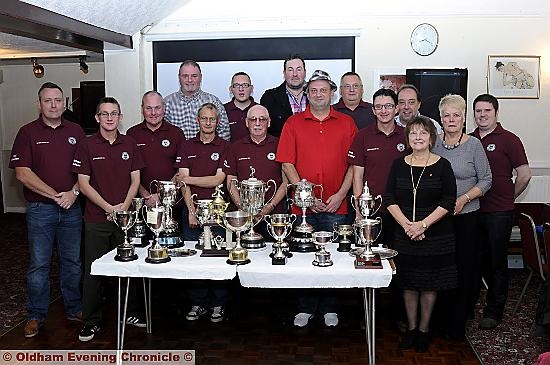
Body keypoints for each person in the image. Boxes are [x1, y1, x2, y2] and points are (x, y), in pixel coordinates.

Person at [276, 69, 357, 328]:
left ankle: (330, 307)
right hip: (304, 208)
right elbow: (287, 164)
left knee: (333, 256)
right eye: (313, 90)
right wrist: (306, 195)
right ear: (307, 94)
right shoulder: (293, 123)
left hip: (337, 204)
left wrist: (341, 194)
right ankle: (306, 307)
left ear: (332, 93)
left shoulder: (347, 123)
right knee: (304, 257)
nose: (318, 94)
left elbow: (355, 166)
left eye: (323, 90)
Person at [9, 82, 85, 338]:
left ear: (64, 103)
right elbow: (22, 173)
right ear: (39, 103)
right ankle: (36, 315)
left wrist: (73, 193)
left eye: (58, 100)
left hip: (72, 208)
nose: (54, 105)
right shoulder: (27, 133)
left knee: (72, 262)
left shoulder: (76, 131)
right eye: (48, 100)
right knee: (39, 265)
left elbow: (86, 171)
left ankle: (74, 308)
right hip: (41, 209)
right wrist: (56, 195)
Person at [73, 97, 144, 342]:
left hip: (125, 219)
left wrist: (123, 207)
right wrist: (108, 207)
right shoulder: (86, 145)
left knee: (129, 268)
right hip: (96, 219)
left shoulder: (131, 144)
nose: (110, 118)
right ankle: (91, 321)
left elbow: (136, 180)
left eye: (114, 113)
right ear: (97, 118)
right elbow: (83, 184)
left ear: (121, 117)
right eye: (104, 114)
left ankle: (130, 313)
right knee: (94, 271)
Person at [385, 116, 457, 353]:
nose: (418, 137)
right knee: (407, 284)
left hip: (435, 235)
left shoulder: (443, 165)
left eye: (423, 133)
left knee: (429, 285)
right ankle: (411, 329)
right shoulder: (397, 164)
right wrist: (408, 226)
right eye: (413, 133)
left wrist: (422, 226)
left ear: (431, 138)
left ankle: (424, 330)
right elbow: (389, 199)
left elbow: (448, 200)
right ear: (407, 138)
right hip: (404, 233)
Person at [432, 94, 492, 340]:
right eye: (447, 115)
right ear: (440, 118)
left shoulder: (474, 145)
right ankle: (438, 319)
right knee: (441, 269)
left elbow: (486, 179)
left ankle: (459, 323)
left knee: (464, 269)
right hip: (439, 219)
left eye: (456, 115)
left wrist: (464, 199)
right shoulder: (433, 143)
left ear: (464, 118)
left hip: (467, 217)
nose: (451, 119)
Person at [471, 94, 531, 330]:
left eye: (487, 110)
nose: (482, 115)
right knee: (476, 261)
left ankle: (493, 312)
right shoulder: (469, 139)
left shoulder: (509, 139)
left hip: (499, 213)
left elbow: (524, 175)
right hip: (473, 210)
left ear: (496, 112)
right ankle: (470, 308)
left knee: (496, 264)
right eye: (478, 111)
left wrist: (508, 197)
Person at [175, 103, 230, 323]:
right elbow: (182, 183)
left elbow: (217, 179)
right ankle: (197, 304)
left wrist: (187, 179)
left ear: (218, 122)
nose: (208, 123)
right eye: (204, 119)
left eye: (212, 119)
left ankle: (219, 304)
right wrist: (191, 210)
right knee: (194, 260)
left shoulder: (226, 147)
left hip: (218, 213)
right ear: (197, 120)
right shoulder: (186, 146)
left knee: (218, 259)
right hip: (192, 212)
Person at [348, 88, 406, 246]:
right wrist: (360, 211)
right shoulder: (363, 136)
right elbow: (357, 176)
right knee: (370, 258)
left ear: (396, 109)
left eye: (388, 106)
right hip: (372, 209)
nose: (384, 110)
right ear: (373, 110)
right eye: (379, 107)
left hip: (402, 209)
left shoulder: (407, 135)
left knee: (399, 258)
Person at [224, 104, 288, 237]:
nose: (257, 123)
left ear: (269, 122)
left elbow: (285, 182)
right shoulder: (235, 147)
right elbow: (231, 181)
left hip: (274, 216)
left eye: (262, 119)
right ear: (247, 123)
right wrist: (243, 207)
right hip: (244, 217)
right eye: (253, 119)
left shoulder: (280, 145)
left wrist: (269, 207)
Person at [127, 91, 185, 208]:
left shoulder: (177, 133)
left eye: (157, 108)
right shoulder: (132, 134)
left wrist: (162, 195)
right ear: (142, 109)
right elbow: (129, 169)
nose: (153, 113)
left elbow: (181, 169)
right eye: (148, 108)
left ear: (163, 108)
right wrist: (147, 196)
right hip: (141, 203)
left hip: (171, 202)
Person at [164, 60, 230, 141]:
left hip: (207, 152)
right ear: (179, 78)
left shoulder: (213, 101)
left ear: (200, 77)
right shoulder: (167, 103)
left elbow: (224, 132)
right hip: (176, 152)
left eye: (194, 76)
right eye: (185, 76)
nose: (190, 80)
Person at [260, 54, 307, 137]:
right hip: (280, 148)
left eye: (299, 69)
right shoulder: (270, 98)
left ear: (305, 72)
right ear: (284, 73)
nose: (295, 74)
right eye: (290, 70)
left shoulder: (315, 96)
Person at [224, 72, 257, 141]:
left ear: (251, 88)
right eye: (236, 85)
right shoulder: (222, 110)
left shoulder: (259, 110)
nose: (241, 89)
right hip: (230, 151)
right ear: (231, 89)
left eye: (245, 85)